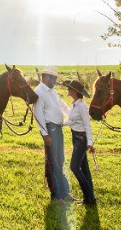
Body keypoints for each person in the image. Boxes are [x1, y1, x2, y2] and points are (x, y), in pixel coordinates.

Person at [34, 65, 71, 203]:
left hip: (58, 129)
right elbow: (38, 114)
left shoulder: (52, 91)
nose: (55, 81)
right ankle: (56, 195)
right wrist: (45, 134)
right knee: (52, 162)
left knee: (60, 161)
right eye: (53, 78)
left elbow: (62, 106)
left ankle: (65, 192)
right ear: (46, 77)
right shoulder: (39, 92)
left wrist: (72, 117)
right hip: (50, 130)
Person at [65, 79, 97, 207]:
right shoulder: (73, 105)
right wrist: (57, 123)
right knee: (84, 169)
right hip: (75, 137)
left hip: (81, 139)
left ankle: (90, 197)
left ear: (75, 91)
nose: (68, 89)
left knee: (74, 167)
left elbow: (88, 126)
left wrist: (90, 143)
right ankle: (89, 199)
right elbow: (69, 120)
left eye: (70, 88)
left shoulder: (82, 106)